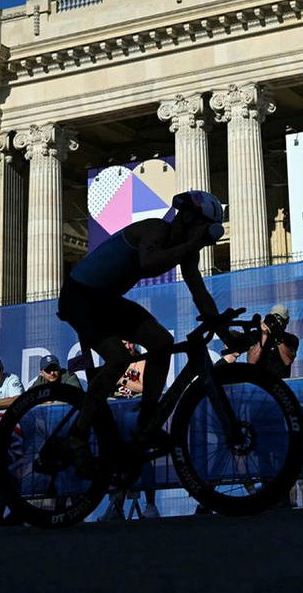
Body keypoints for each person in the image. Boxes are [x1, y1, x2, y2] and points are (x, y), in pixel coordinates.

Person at [57, 189, 225, 465]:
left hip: (105, 300)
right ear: (187, 219)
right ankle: (78, 434)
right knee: (119, 358)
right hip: (80, 298)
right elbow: (149, 263)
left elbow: (200, 293)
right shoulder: (155, 230)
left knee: (161, 341)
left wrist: (223, 330)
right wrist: (189, 245)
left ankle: (147, 422)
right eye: (204, 228)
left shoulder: (185, 250)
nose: (205, 237)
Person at [227, 304, 300, 379]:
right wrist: (264, 335)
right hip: (260, 383)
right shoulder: (255, 335)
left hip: (280, 383)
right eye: (273, 319)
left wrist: (278, 336)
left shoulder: (291, 339)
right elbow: (251, 361)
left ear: (286, 321)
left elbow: (287, 361)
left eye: (280, 320)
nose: (275, 323)